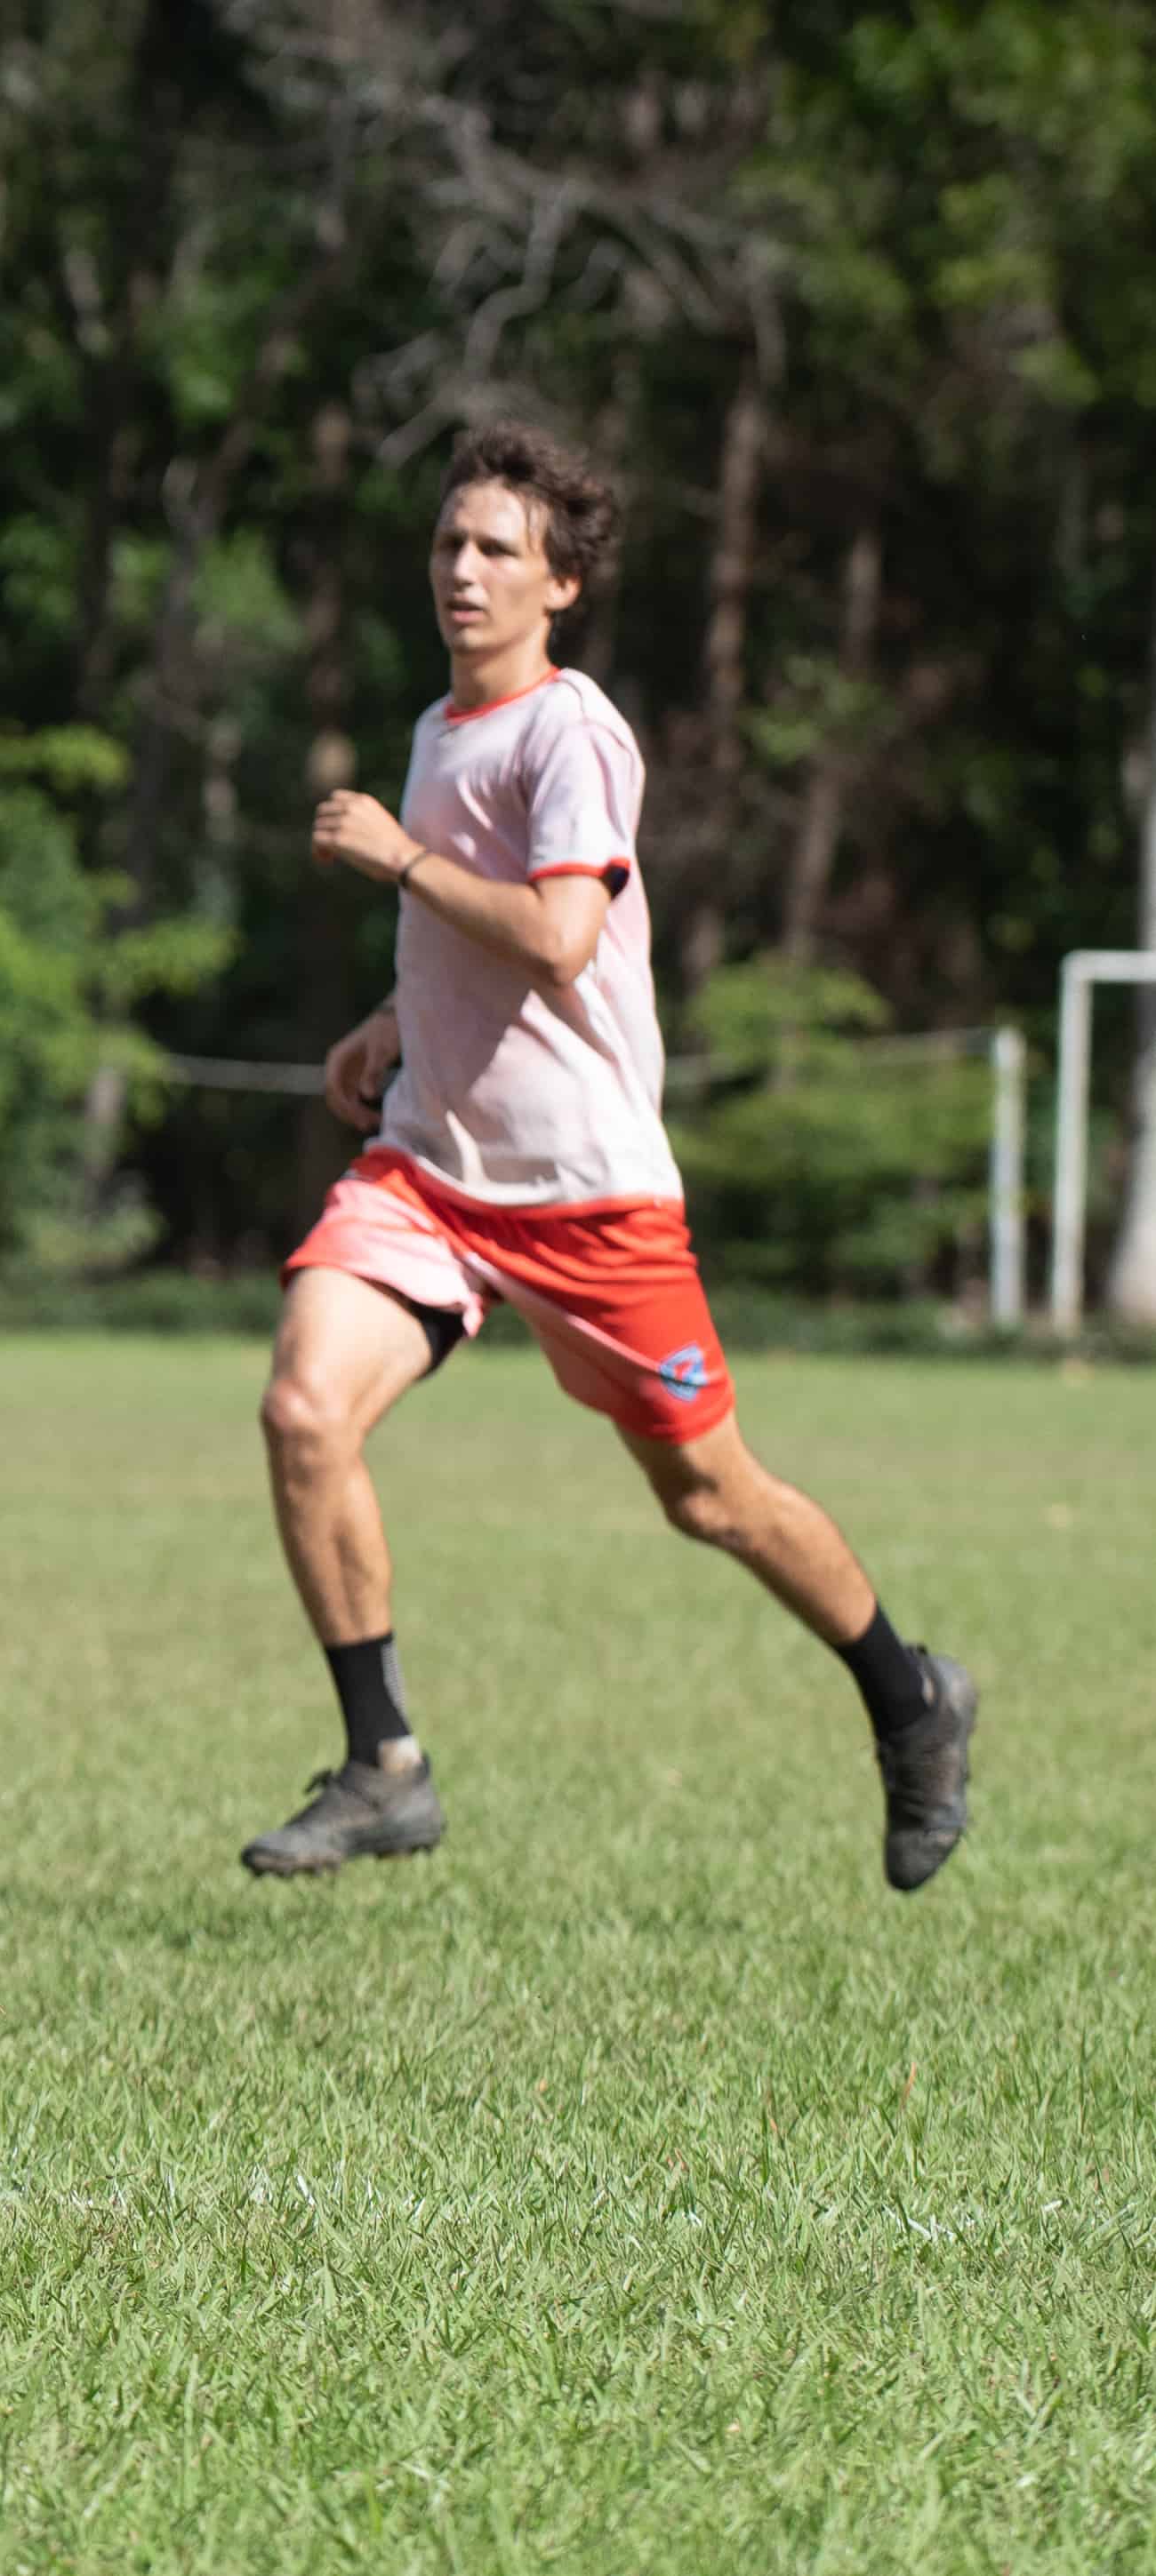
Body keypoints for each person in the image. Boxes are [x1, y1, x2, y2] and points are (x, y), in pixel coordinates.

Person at [247, 421, 976, 1887]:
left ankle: (910, 1698)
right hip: (431, 1176)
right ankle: (383, 1760)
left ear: (560, 584)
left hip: (587, 1200)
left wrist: (396, 858)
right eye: (450, 542)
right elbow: (483, 937)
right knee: (303, 1412)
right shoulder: (437, 730)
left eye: (496, 549)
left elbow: (564, 934)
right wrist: (395, 1018)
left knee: (710, 1496)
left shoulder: (569, 730)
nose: (462, 568)